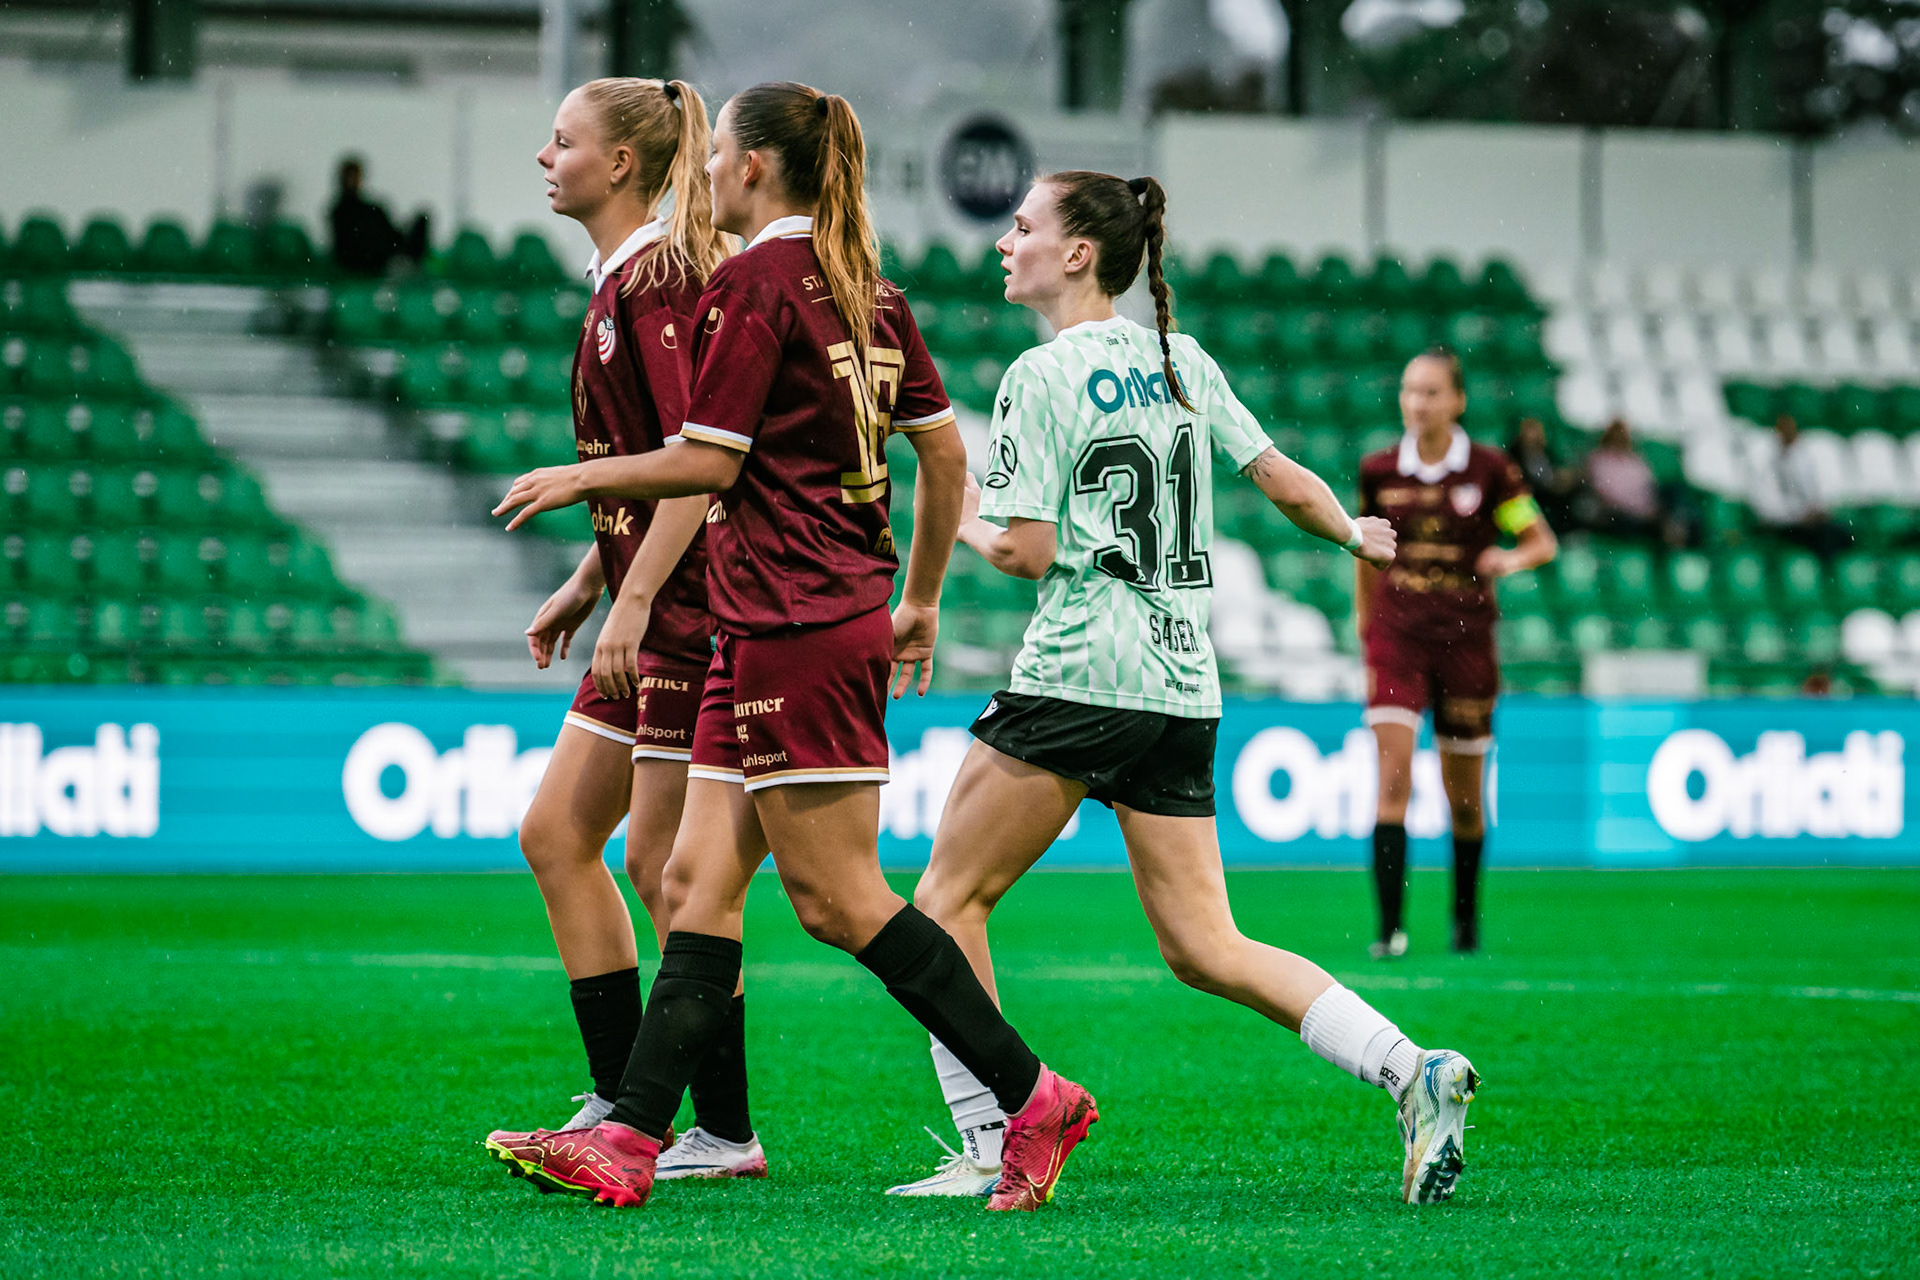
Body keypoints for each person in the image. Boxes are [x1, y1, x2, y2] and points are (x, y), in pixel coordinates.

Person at [491, 81, 1095, 1213]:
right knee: (691, 877)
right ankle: (634, 1132)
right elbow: (943, 456)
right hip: (789, 613)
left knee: (839, 899)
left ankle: (1034, 1091)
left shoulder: (754, 283)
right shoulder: (870, 288)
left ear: (757, 166)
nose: (707, 170)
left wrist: (587, 476)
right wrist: (915, 599)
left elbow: (710, 460)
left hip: (794, 612)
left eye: (720, 152)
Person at [887, 171, 1480, 1209]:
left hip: (1078, 671)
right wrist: (1352, 529)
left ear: (1079, 254)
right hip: (1180, 681)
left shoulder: (1041, 373)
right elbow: (1281, 473)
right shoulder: (1181, 356)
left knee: (943, 903)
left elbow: (1025, 555)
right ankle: (1410, 1067)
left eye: (1023, 227)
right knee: (1208, 944)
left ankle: (996, 1137)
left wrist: (969, 514)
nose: (1004, 243)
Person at [479, 78, 768, 1182]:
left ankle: (723, 1129)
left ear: (626, 166)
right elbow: (649, 473)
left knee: (665, 867)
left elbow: (702, 463)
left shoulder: (655, 281)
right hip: (643, 598)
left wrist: (636, 598)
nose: (545, 158)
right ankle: (619, 1097)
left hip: (688, 612)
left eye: (563, 142)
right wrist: (586, 582)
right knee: (558, 835)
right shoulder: (626, 279)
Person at [1358, 348, 1557, 960]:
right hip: (1397, 640)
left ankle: (1465, 923)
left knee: (1464, 800)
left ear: (1458, 400)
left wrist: (1509, 558)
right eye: (1410, 391)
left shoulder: (1493, 471)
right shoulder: (1379, 468)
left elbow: (1540, 541)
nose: (1418, 403)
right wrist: (1367, 629)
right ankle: (1389, 931)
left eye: (1432, 392)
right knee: (1392, 780)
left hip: (1467, 644)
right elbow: (1365, 552)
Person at [1753, 414, 1852, 562]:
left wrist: (1815, 512)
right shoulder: (1768, 463)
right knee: (1825, 536)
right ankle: (1825, 572)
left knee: (1840, 532)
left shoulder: (1803, 459)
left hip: (1806, 521)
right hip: (1785, 524)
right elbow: (1767, 506)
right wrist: (1797, 516)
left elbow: (1814, 493)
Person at [328, 156, 429, 276]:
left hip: (386, 256)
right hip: (368, 261)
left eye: (355, 177)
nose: (352, 182)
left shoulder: (372, 210)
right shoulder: (341, 213)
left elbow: (393, 236)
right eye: (349, 177)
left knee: (422, 219)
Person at [1580, 418, 1665, 543]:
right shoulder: (1600, 460)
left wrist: (1649, 510)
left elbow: (1649, 488)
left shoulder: (1635, 461)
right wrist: (1635, 509)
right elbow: (1605, 493)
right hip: (1618, 513)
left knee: (1673, 492)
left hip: (1642, 512)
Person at [1505, 415, 1577, 532]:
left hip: (1548, 490)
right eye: (1529, 430)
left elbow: (1552, 471)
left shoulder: (1545, 452)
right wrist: (1549, 484)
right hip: (1533, 494)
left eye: (1535, 430)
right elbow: (1519, 478)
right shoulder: (1514, 454)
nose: (1532, 435)